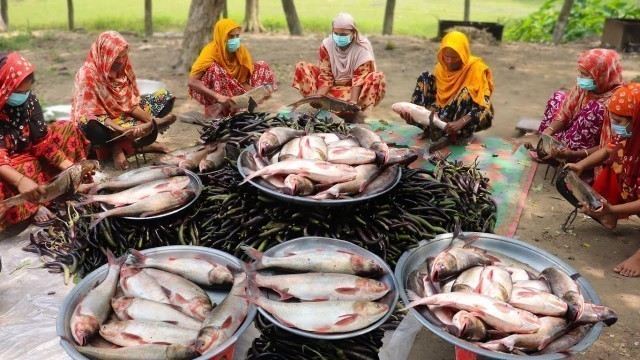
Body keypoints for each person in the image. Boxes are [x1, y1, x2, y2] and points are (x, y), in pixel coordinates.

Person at [0, 53, 89, 231]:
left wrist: (71, 168)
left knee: (67, 128)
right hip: (7, 165)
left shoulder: (29, 100)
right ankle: (34, 206)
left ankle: (64, 186)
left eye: (26, 91)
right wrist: (20, 181)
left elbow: (42, 143)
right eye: (18, 92)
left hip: (29, 152)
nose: (23, 96)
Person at [71, 31, 176, 171]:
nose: (121, 61)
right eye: (116, 58)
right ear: (105, 56)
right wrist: (122, 130)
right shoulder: (88, 74)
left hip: (125, 118)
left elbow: (130, 106)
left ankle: (146, 133)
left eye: (123, 56)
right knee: (89, 124)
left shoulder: (123, 69)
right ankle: (117, 147)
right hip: (104, 124)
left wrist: (149, 120)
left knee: (165, 97)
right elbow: (90, 113)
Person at [565, 83, 640, 277]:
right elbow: (608, 149)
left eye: (619, 121)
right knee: (615, 164)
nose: (615, 126)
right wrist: (581, 164)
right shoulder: (630, 136)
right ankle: (611, 216)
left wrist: (613, 208)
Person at [404, 31, 493, 149]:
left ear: (463, 55)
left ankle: (457, 135)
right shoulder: (441, 67)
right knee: (424, 77)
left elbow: (483, 104)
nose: (449, 61)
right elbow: (438, 98)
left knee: (466, 93)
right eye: (446, 57)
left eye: (454, 57)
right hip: (444, 111)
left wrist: (462, 121)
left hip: (467, 116)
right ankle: (431, 130)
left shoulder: (475, 68)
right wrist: (415, 114)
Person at [538, 49, 622, 171]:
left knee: (595, 109)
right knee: (558, 97)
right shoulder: (583, 88)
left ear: (603, 75)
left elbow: (609, 146)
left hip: (587, 151)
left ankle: (570, 160)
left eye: (586, 74)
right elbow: (564, 114)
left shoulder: (617, 101)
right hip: (570, 136)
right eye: (580, 72)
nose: (580, 77)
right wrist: (548, 132)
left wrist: (573, 154)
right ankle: (548, 149)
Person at [292, 12, 386, 119]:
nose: (339, 37)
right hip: (330, 89)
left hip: (353, 91)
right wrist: (318, 97)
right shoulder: (327, 45)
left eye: (344, 35)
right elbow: (325, 75)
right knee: (302, 67)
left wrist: (352, 103)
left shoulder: (362, 48)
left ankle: (356, 111)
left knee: (377, 77)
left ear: (353, 32)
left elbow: (359, 79)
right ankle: (321, 105)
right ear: (332, 30)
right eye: (336, 34)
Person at [189, 18, 276, 117]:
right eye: (231, 36)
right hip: (214, 93)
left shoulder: (241, 52)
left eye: (237, 36)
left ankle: (243, 107)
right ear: (221, 36)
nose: (235, 40)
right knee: (214, 68)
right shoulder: (210, 52)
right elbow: (192, 82)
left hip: (234, 90)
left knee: (261, 65)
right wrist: (218, 96)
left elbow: (240, 82)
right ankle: (219, 111)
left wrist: (257, 91)